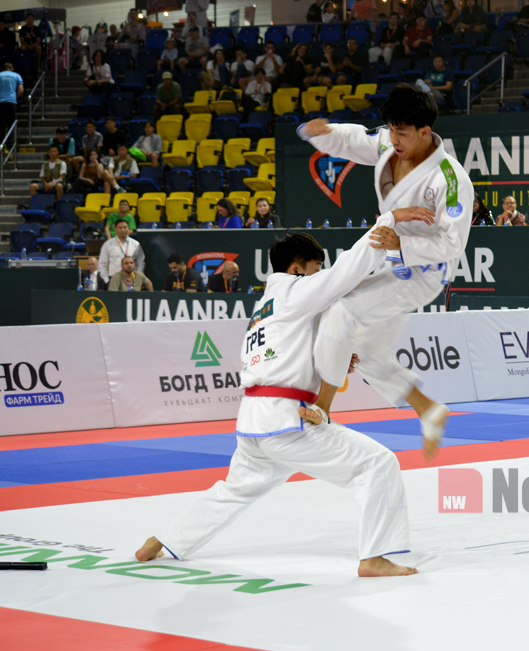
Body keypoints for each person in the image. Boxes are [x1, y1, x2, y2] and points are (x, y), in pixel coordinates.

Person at [134, 226, 426, 578]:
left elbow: (290, 352)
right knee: (377, 464)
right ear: (296, 269)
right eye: (315, 268)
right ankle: (374, 557)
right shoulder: (294, 290)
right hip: (286, 420)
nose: (319, 276)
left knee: (235, 490)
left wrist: (332, 354)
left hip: (253, 422)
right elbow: (345, 274)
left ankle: (162, 540)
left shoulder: (265, 306)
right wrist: (385, 228)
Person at [297, 85, 473, 457]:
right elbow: (355, 140)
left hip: (425, 272)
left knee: (342, 309)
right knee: (365, 346)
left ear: (425, 132)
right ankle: (428, 409)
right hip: (390, 260)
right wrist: (321, 135)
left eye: (402, 133)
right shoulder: (389, 145)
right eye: (391, 129)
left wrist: (402, 244)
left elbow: (453, 244)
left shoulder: (450, 180)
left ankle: (322, 408)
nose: (393, 139)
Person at [0, 62, 22, 144]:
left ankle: (1, 144)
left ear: (3, 69)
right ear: (12, 69)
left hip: (1, 102)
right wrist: (15, 98)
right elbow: (21, 90)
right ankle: (11, 144)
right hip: (11, 102)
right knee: (11, 125)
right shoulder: (17, 76)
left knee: (1, 125)